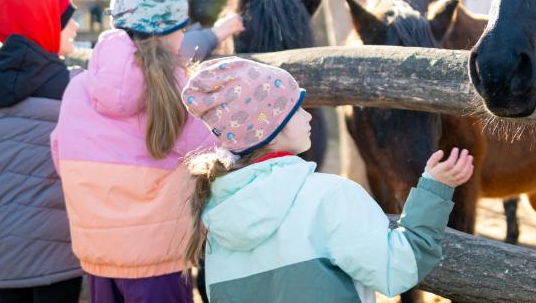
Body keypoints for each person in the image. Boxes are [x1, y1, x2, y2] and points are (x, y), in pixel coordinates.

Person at [182, 57, 474, 302]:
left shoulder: (217, 216)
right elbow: (396, 269)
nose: (309, 117)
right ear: (274, 128)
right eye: (297, 109)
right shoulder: (330, 196)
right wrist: (435, 189)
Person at [51, 0, 220, 303]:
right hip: (161, 260)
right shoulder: (179, 90)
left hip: (99, 257)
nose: (184, 36)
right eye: (182, 28)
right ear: (168, 30)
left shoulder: (78, 89)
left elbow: (61, 159)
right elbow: (212, 158)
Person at [0, 0, 84, 303]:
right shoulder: (72, 88)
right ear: (43, 22)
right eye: (67, 19)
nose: (77, 27)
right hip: (58, 251)